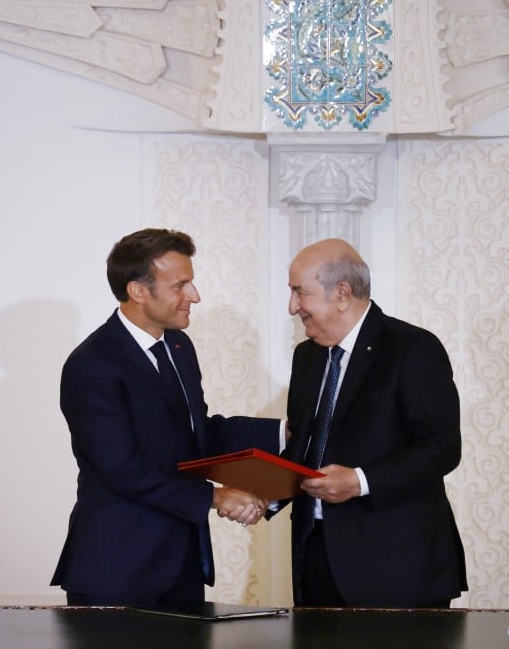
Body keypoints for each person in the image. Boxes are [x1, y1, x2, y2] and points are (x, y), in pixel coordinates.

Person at [51, 228, 281, 606]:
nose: (194, 296)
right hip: (118, 569)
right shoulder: (92, 364)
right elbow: (121, 467)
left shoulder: (178, 346)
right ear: (138, 291)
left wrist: (284, 434)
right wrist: (216, 497)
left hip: (183, 565)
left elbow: (196, 434)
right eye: (181, 285)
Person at [282, 238, 467, 608]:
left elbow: (442, 447)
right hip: (316, 558)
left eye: (299, 292)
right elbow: (305, 444)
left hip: (397, 567)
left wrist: (360, 481)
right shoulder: (307, 357)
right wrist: (261, 492)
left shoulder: (412, 348)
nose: (292, 307)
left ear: (342, 293)